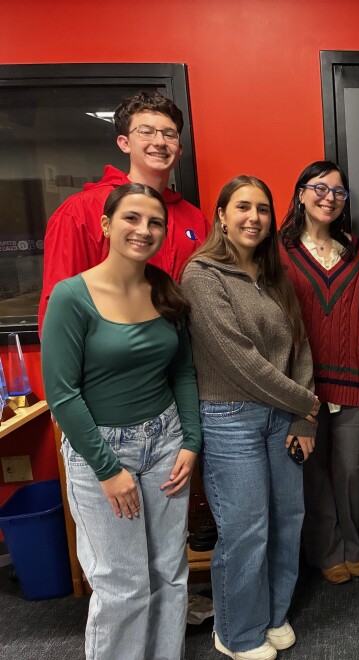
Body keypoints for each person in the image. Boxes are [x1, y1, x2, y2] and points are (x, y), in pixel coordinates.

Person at [42, 183, 201, 660]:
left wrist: (190, 441)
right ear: (107, 225)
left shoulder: (165, 290)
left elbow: (184, 372)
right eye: (132, 218)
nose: (144, 230)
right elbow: (62, 395)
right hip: (101, 454)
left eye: (155, 223)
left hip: (167, 443)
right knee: (123, 586)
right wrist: (109, 470)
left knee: (170, 574)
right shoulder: (73, 297)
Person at [181, 175, 319, 660]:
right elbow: (240, 361)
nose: (253, 218)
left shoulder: (275, 276)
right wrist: (307, 404)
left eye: (262, 209)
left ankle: (272, 615)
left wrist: (304, 418)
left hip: (283, 417)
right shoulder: (202, 275)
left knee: (288, 520)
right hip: (230, 418)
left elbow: (299, 348)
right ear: (221, 215)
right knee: (245, 529)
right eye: (242, 207)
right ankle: (237, 634)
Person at [280, 160, 359, 585]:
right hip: (301, 387)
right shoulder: (279, 252)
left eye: (339, 192)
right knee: (311, 471)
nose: (329, 197)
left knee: (351, 470)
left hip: (354, 383)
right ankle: (326, 550)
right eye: (320, 188)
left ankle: (351, 544)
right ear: (301, 194)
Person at [39, 89, 210, 332]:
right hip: (112, 359)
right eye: (146, 131)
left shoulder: (194, 219)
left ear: (179, 149)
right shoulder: (80, 211)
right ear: (124, 143)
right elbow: (57, 310)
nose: (159, 142)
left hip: (180, 357)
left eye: (169, 134)